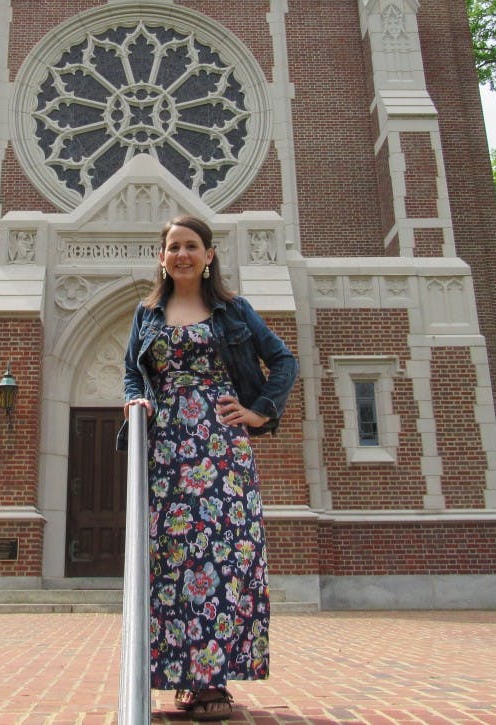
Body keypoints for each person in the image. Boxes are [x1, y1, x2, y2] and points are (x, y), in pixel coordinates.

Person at [119, 215, 297, 721]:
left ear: (209, 254)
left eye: (191, 246)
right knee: (173, 559)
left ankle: (212, 680)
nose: (182, 254)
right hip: (166, 448)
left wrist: (260, 409)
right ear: (161, 256)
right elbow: (133, 370)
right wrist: (137, 403)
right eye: (173, 246)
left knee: (222, 555)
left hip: (221, 449)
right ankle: (180, 677)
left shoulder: (234, 310)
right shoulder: (147, 312)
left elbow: (283, 361)